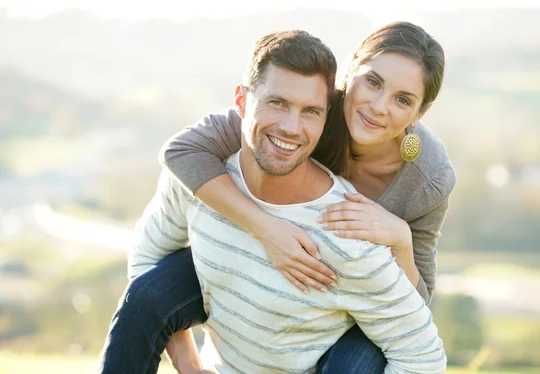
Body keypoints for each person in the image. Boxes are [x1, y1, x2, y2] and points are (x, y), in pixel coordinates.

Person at [99, 22, 455, 373]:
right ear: (351, 73)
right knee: (147, 295)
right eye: (373, 82)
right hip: (258, 268)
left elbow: (413, 308)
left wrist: (401, 240)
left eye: (403, 100)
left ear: (420, 113)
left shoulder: (429, 178)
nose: (378, 106)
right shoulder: (306, 107)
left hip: (353, 308)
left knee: (355, 364)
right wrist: (266, 228)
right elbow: (183, 152)